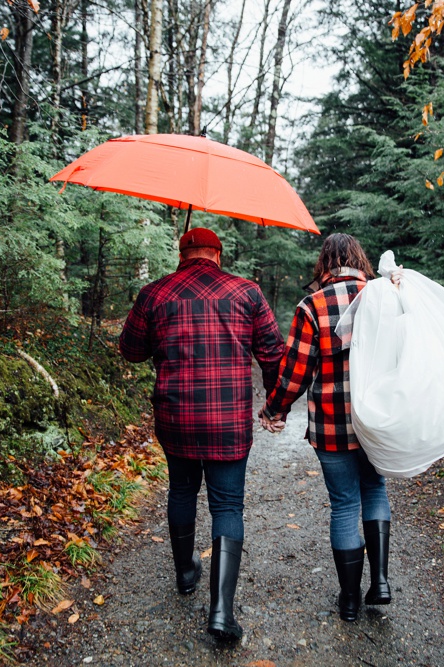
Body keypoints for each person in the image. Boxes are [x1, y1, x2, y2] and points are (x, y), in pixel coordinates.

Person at [119, 226, 285, 641]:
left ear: (182, 254)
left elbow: (131, 351)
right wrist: (274, 404)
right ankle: (221, 612)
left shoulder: (155, 293)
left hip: (175, 418)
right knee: (228, 506)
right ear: (218, 254)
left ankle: (185, 572)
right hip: (228, 421)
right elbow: (273, 355)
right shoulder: (246, 293)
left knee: (181, 491)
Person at [258, 233, 393, 622]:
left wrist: (274, 410)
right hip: (379, 421)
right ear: (359, 259)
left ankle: (349, 601)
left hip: (333, 425)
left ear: (325, 264)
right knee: (375, 488)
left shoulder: (312, 306)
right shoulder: (385, 295)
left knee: (345, 503)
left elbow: (295, 373)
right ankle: (380, 582)